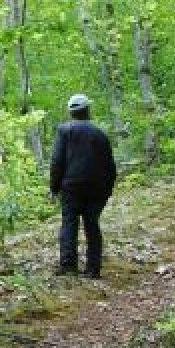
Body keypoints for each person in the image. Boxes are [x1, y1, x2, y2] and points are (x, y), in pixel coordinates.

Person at [49, 94, 117, 279]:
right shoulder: (100, 134)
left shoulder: (64, 131)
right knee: (92, 225)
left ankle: (68, 266)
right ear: (87, 110)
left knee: (69, 223)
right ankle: (93, 269)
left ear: (71, 112)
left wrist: (54, 188)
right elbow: (110, 166)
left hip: (71, 187)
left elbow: (57, 162)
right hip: (97, 189)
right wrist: (108, 190)